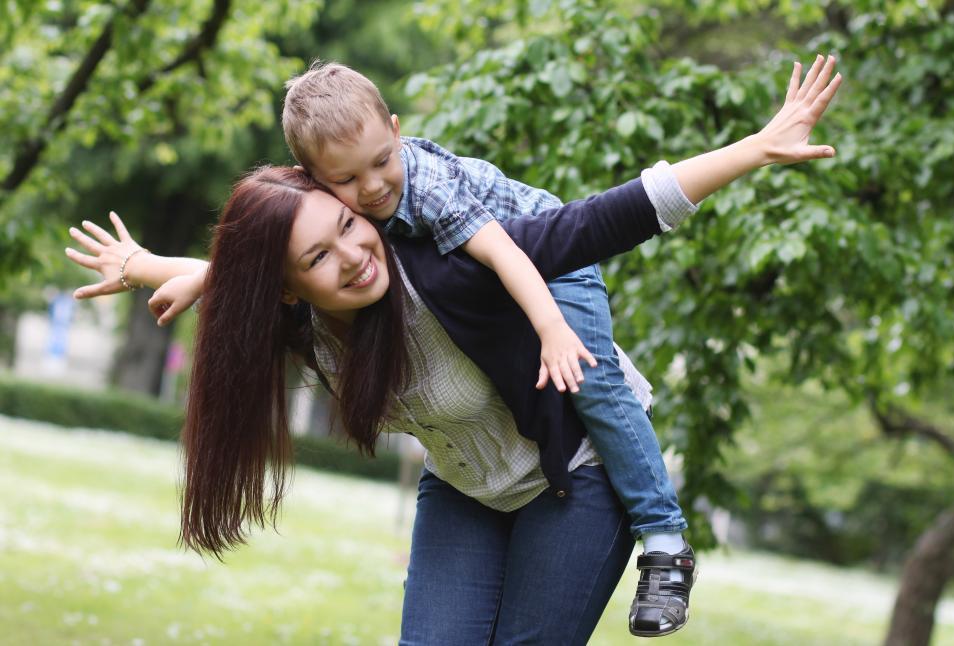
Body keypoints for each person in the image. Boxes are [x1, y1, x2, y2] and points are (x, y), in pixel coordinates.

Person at [65, 55, 841, 642]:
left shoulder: (448, 255)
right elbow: (241, 276)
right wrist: (144, 268)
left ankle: (664, 539)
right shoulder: (296, 315)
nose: (353, 251)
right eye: (320, 252)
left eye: (350, 230)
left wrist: (756, 149)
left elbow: (600, 220)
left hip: (574, 471)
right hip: (467, 490)